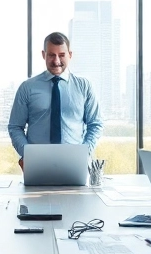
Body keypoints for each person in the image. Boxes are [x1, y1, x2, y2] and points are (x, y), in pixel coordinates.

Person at [8, 32, 103, 165]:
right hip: (37, 163)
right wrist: (27, 154)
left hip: (75, 163)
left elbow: (95, 124)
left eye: (62, 55)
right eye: (51, 55)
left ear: (70, 55)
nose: (56, 61)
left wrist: (84, 152)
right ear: (43, 55)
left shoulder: (84, 86)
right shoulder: (27, 88)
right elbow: (15, 126)